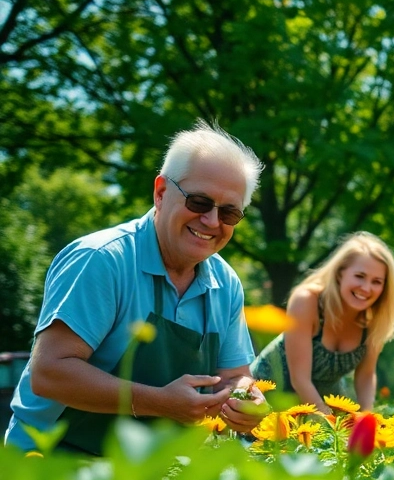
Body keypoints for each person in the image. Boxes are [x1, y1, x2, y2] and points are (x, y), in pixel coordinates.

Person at [4, 122, 269, 455]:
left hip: (149, 474)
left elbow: (235, 375)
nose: (213, 222)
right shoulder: (101, 260)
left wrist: (246, 396)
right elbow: (49, 373)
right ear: (160, 192)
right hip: (53, 464)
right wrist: (159, 402)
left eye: (229, 212)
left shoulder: (226, 284)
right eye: (199, 202)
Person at [250, 232, 394, 413]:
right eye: (360, 276)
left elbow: (366, 376)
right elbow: (300, 379)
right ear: (339, 274)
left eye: (377, 281)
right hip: (266, 400)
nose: (366, 288)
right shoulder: (307, 300)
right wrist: (328, 424)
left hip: (323, 407)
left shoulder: (374, 321)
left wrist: (366, 419)